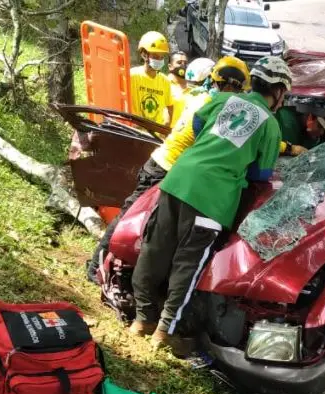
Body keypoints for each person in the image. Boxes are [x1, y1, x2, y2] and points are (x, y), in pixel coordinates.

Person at [128, 56, 293, 356]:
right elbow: (261, 174)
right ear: (279, 90)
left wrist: (214, 146)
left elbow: (197, 123)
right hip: (212, 198)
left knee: (156, 249)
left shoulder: (225, 100)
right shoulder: (270, 125)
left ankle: (142, 320)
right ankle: (165, 332)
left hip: (177, 180)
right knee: (188, 264)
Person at [85, 56, 251, 282]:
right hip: (166, 168)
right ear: (233, 85)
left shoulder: (201, 97)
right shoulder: (217, 106)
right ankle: (95, 267)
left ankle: (114, 268)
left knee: (140, 221)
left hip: (163, 164)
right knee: (129, 219)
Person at [130, 31, 174, 125]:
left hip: (155, 132)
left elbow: (169, 106)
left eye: (161, 57)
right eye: (155, 56)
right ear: (144, 54)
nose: (159, 60)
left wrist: (166, 124)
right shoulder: (132, 76)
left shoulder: (165, 81)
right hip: (134, 131)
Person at [167, 51, 189, 127]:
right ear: (170, 66)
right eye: (179, 63)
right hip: (167, 131)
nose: (183, 65)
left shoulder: (192, 89)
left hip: (185, 133)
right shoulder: (164, 84)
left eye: (185, 63)